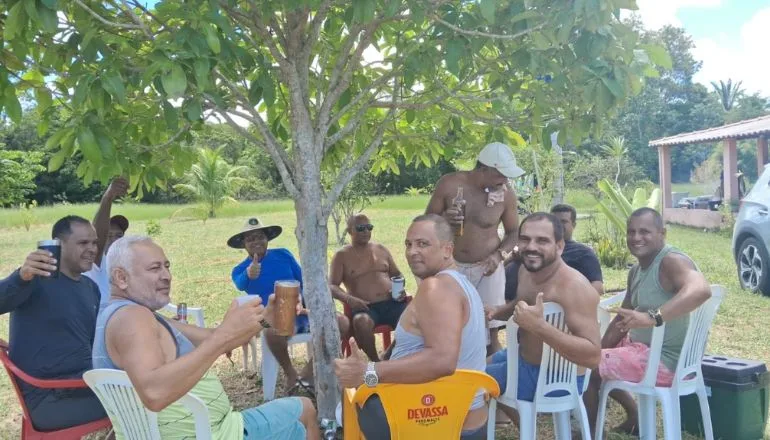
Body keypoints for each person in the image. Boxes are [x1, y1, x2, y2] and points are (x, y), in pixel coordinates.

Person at [93, 235, 319, 439]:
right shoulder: (132, 317)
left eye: (167, 266)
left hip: (205, 429)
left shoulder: (134, 315)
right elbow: (154, 393)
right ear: (121, 277)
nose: (167, 276)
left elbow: (215, 336)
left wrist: (266, 317)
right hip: (212, 434)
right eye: (155, 268)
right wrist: (222, 339)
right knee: (306, 410)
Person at [334, 214, 489, 440]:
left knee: (348, 401)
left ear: (447, 249)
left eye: (423, 244)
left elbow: (442, 360)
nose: (412, 251)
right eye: (408, 244)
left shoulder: (436, 288)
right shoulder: (460, 283)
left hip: (431, 421)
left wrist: (368, 372)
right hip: (459, 417)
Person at [584, 208, 711, 435]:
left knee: (588, 366)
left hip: (665, 362)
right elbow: (622, 319)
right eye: (631, 232)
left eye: (644, 231)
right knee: (584, 358)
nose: (636, 238)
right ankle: (634, 417)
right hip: (643, 351)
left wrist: (653, 317)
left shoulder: (671, 261)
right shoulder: (636, 271)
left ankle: (590, 434)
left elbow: (701, 290)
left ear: (662, 233)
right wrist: (597, 350)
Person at [485, 213, 600, 422]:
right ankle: (527, 429)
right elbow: (521, 304)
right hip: (524, 357)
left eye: (542, 241)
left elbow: (592, 356)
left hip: (557, 379)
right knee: (475, 367)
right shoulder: (526, 271)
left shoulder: (574, 287)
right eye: (525, 239)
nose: (531, 247)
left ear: (559, 246)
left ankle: (526, 430)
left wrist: (539, 327)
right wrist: (496, 312)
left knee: (469, 383)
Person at [0, 216, 107, 431]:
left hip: (82, 384)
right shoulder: (35, 281)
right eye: (83, 243)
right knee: (142, 401)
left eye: (94, 242)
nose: (92, 249)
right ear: (58, 244)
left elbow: (96, 342)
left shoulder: (89, 287)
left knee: (144, 386)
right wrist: (21, 277)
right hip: (49, 398)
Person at [229, 217, 349, 392]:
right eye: (250, 238)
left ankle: (308, 372)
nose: (256, 241)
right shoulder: (240, 269)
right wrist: (249, 273)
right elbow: (240, 283)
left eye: (260, 236)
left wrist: (304, 303)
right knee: (269, 330)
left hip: (300, 312)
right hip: (266, 318)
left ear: (267, 239)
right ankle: (290, 373)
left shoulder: (283, 255)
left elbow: (304, 281)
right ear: (243, 244)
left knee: (342, 323)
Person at [426, 142, 523, 355]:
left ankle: (489, 382)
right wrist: (443, 219)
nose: (505, 181)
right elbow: (425, 224)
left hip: (488, 266)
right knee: (451, 324)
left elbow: (514, 232)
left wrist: (499, 256)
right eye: (501, 175)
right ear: (484, 169)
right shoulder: (449, 185)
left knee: (491, 328)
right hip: (452, 266)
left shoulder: (506, 194)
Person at [330, 213, 408, 361]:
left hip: (392, 302)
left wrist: (399, 288)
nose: (366, 231)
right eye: (360, 228)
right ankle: (375, 361)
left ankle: (387, 355)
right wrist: (349, 299)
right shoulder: (342, 255)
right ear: (349, 231)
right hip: (365, 307)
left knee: (417, 317)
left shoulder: (381, 249)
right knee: (361, 322)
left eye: (369, 227)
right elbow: (332, 286)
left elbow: (398, 275)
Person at [85, 177, 130, 305]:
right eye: (108, 236)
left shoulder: (128, 266)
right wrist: (108, 197)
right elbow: (98, 236)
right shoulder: (97, 262)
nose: (115, 240)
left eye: (118, 235)